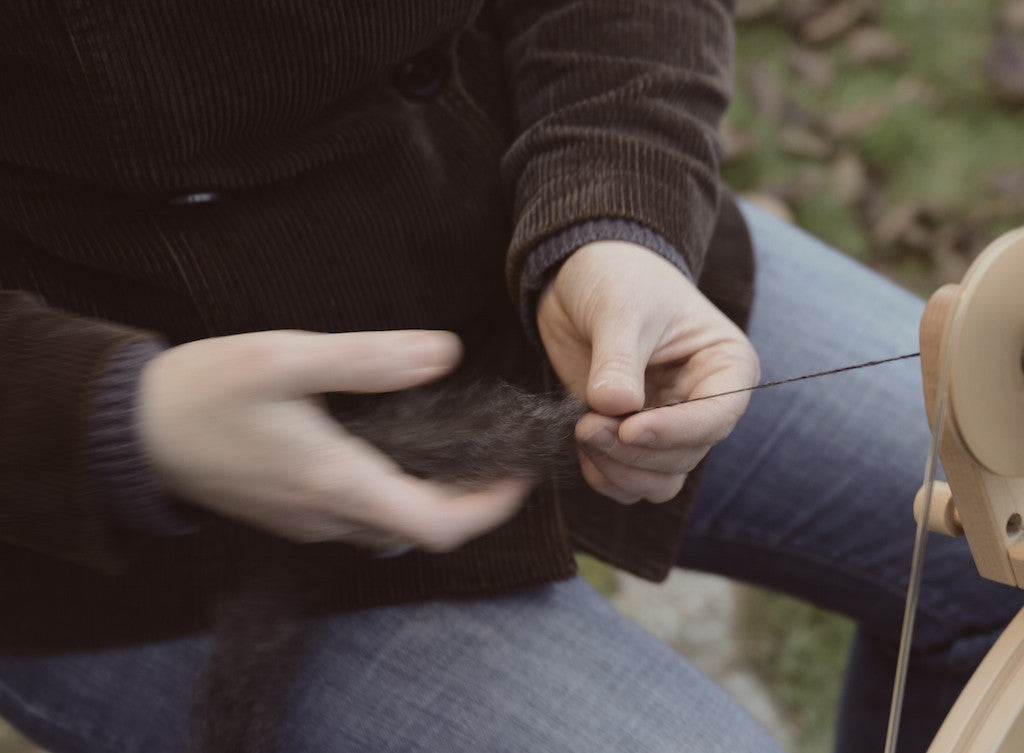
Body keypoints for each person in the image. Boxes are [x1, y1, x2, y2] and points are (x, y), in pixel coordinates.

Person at [0, 2, 1021, 752]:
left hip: (528, 204)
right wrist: (118, 418)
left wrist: (618, 221)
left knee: (1006, 533)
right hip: (125, 519)